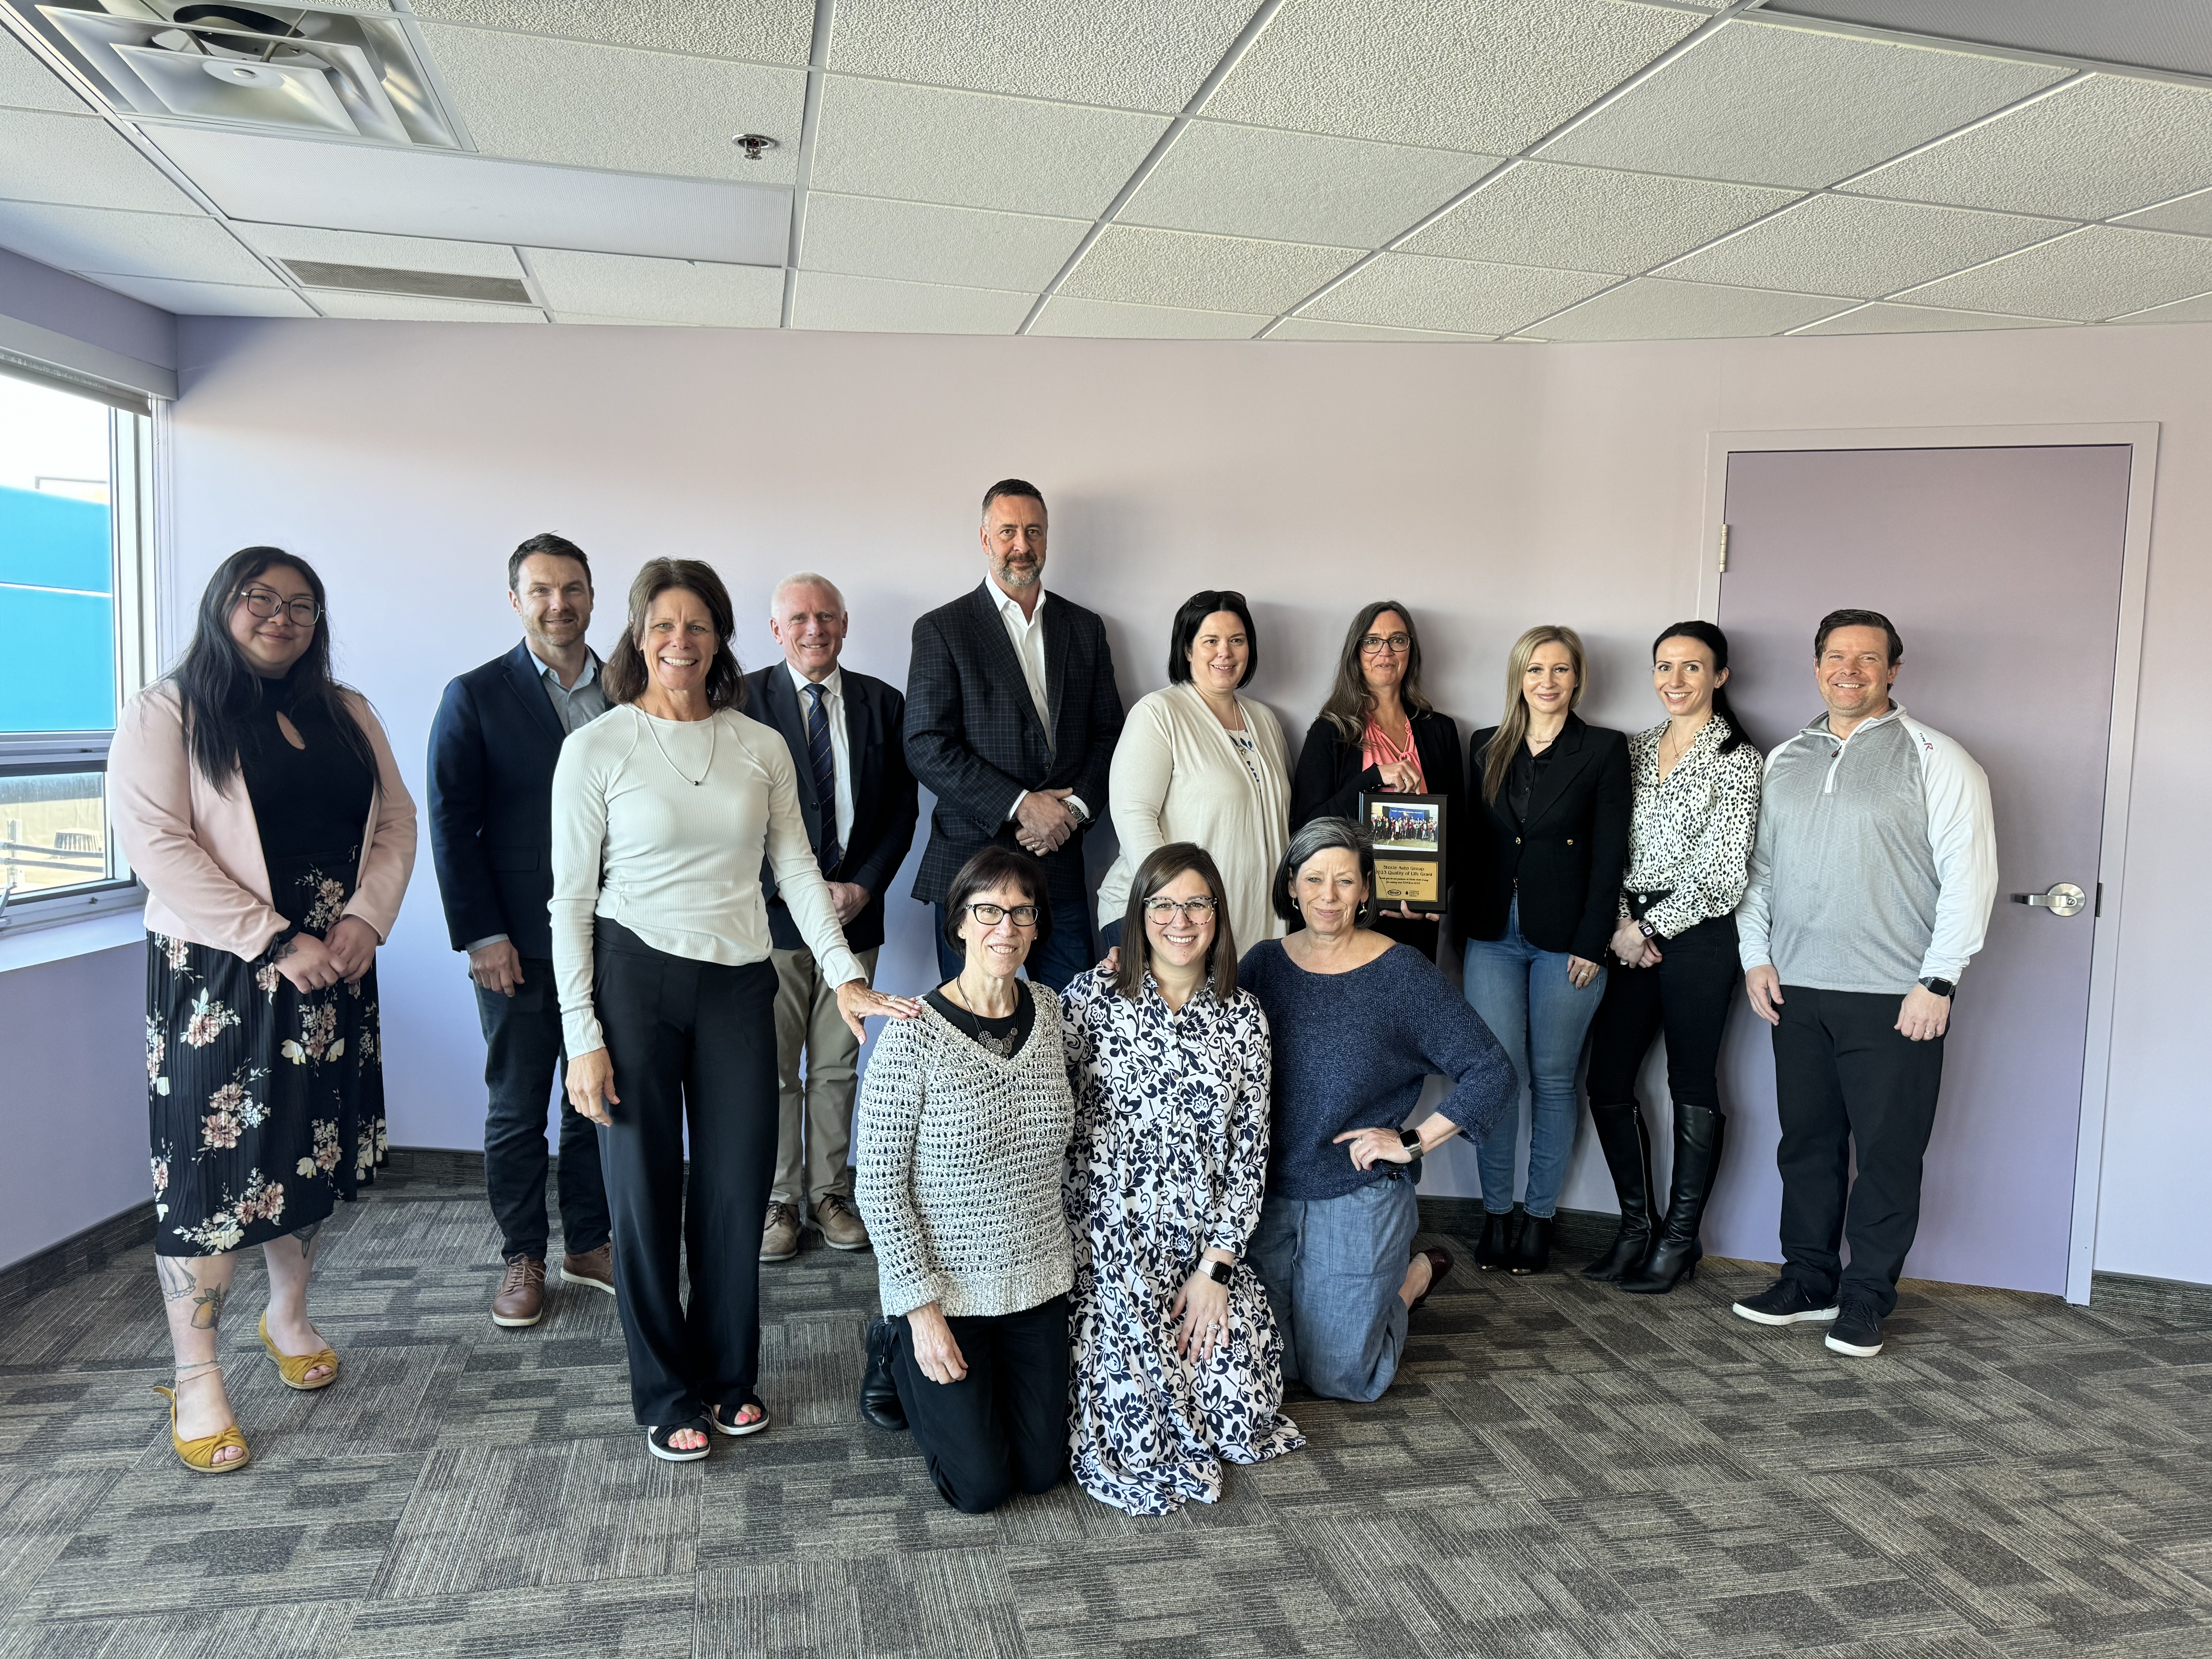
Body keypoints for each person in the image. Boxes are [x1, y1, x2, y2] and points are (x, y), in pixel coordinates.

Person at [553, 558, 917, 1463]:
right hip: (635, 982)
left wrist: (842, 975)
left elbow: (796, 872)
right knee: (642, 1193)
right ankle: (664, 1391)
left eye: (699, 626)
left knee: (734, 1188)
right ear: (639, 636)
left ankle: (727, 1378)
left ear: (722, 639)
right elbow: (568, 899)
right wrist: (581, 1036)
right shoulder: (599, 746)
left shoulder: (759, 745)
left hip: (738, 981)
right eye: (664, 626)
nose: (682, 642)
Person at [111, 547, 416, 1472]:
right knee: (212, 1177)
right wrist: (278, 940)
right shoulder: (169, 711)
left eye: (302, 605)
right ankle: (197, 1373)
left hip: (335, 967)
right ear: (223, 607)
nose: (281, 617)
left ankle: (288, 1315)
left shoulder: (345, 712)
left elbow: (396, 820)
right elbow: (158, 844)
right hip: (225, 977)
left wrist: (367, 918)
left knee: (305, 1149)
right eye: (260, 600)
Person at [1732, 609, 1996, 1359]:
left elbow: (1970, 879)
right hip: (1798, 993)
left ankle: (1866, 1297)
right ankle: (1808, 1279)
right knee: (1807, 1147)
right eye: (1835, 657)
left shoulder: (1937, 758)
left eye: (1868, 658)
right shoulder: (1786, 759)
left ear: (1893, 671)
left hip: (1897, 999)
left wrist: (1938, 982)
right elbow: (1761, 874)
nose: (1849, 670)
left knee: (1886, 1154)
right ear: (1817, 667)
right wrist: (1757, 957)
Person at [1061, 843, 1305, 1515]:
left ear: (1217, 914)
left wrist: (1217, 1268)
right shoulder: (1090, 999)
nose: (1179, 918)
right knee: (1142, 1442)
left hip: (1200, 1250)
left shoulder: (1242, 1016)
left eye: (1196, 902)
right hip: (1111, 1249)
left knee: (1241, 1418)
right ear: (1138, 915)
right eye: (1162, 903)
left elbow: (1250, 1152)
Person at [1242, 818, 1515, 1403]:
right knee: (1274, 1369)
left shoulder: (1402, 973)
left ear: (1367, 889)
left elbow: (1492, 1071)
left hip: (1357, 1187)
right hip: (1269, 1191)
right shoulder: (1262, 965)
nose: (1329, 896)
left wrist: (1412, 1142)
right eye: (1314, 879)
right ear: (1292, 886)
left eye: (1345, 881)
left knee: (1342, 1378)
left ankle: (1411, 1282)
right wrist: (1125, 969)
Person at [853, 847, 1077, 1514]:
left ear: (1037, 925)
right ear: (958, 923)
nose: (1004, 927)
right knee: (979, 1487)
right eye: (987, 910)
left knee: (1042, 1470)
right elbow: (878, 1185)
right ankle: (890, 1342)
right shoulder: (910, 1034)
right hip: (944, 1290)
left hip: (1036, 1276)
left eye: (1020, 911)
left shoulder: (1052, 1010)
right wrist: (919, 1308)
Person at [427, 532, 614, 1329]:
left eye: (571, 588)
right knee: (516, 1105)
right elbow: (449, 823)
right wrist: (481, 936)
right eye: (541, 591)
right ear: (516, 602)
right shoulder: (473, 695)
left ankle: (589, 1243)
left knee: (595, 1097)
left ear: (592, 596)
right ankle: (523, 1255)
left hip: (615, 938)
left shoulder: (631, 688)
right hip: (519, 944)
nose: (558, 604)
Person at [1582, 622, 1763, 1294]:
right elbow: (1606, 846)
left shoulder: (1738, 758)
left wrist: (1648, 925)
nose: (1675, 681)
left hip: (1701, 934)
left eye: (1693, 668)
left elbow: (1724, 872)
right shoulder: (1628, 750)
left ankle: (1678, 1240)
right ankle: (1635, 1225)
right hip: (1627, 928)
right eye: (1664, 667)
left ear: (1719, 676)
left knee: (1690, 1081)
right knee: (1607, 1080)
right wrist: (1622, 924)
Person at [745, 573, 919, 1265]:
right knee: (775, 1067)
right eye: (799, 617)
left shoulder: (883, 702)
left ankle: (830, 1191)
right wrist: (793, 890)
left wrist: (863, 888)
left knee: (840, 1063)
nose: (813, 628)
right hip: (773, 919)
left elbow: (902, 812)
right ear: (775, 629)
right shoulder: (742, 700)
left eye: (826, 616)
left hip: (856, 917)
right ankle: (780, 1198)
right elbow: (731, 815)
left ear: (843, 625)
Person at [905, 479, 1125, 991]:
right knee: (972, 1032)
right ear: (985, 539)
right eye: (1008, 532)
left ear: (1047, 539)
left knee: (1073, 1029)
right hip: (971, 866)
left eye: (1033, 531)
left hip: (1060, 865)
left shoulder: (1084, 628)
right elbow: (924, 743)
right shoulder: (943, 629)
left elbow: (1110, 733)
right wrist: (1022, 804)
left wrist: (1072, 812)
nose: (1021, 545)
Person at [1459, 625, 1630, 1276]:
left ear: (1576, 678)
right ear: (1518, 678)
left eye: (1560, 670)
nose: (1548, 682)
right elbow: (1473, 844)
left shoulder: (1603, 750)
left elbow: (1609, 851)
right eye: (1536, 670)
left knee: (1554, 1079)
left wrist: (1593, 940)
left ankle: (1539, 1219)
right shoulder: (1485, 746)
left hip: (1568, 942)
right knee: (1497, 1078)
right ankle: (1495, 1213)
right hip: (1491, 937)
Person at [1095, 591, 1290, 956]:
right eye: (1210, 641)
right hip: (1169, 923)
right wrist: (1174, 904)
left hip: (1251, 922)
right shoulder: (1158, 713)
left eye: (1237, 640)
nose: (1225, 653)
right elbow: (1133, 814)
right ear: (1187, 650)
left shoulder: (1265, 721)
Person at [1290, 601, 1465, 963]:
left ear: (1411, 652)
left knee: (1408, 1017)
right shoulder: (1331, 731)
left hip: (1414, 918)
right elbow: (1307, 826)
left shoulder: (1440, 731)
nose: (1385, 651)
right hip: (1347, 915)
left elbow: (1457, 829)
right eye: (1373, 642)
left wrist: (1432, 896)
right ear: (1357, 653)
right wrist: (1371, 778)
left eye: (1398, 640)